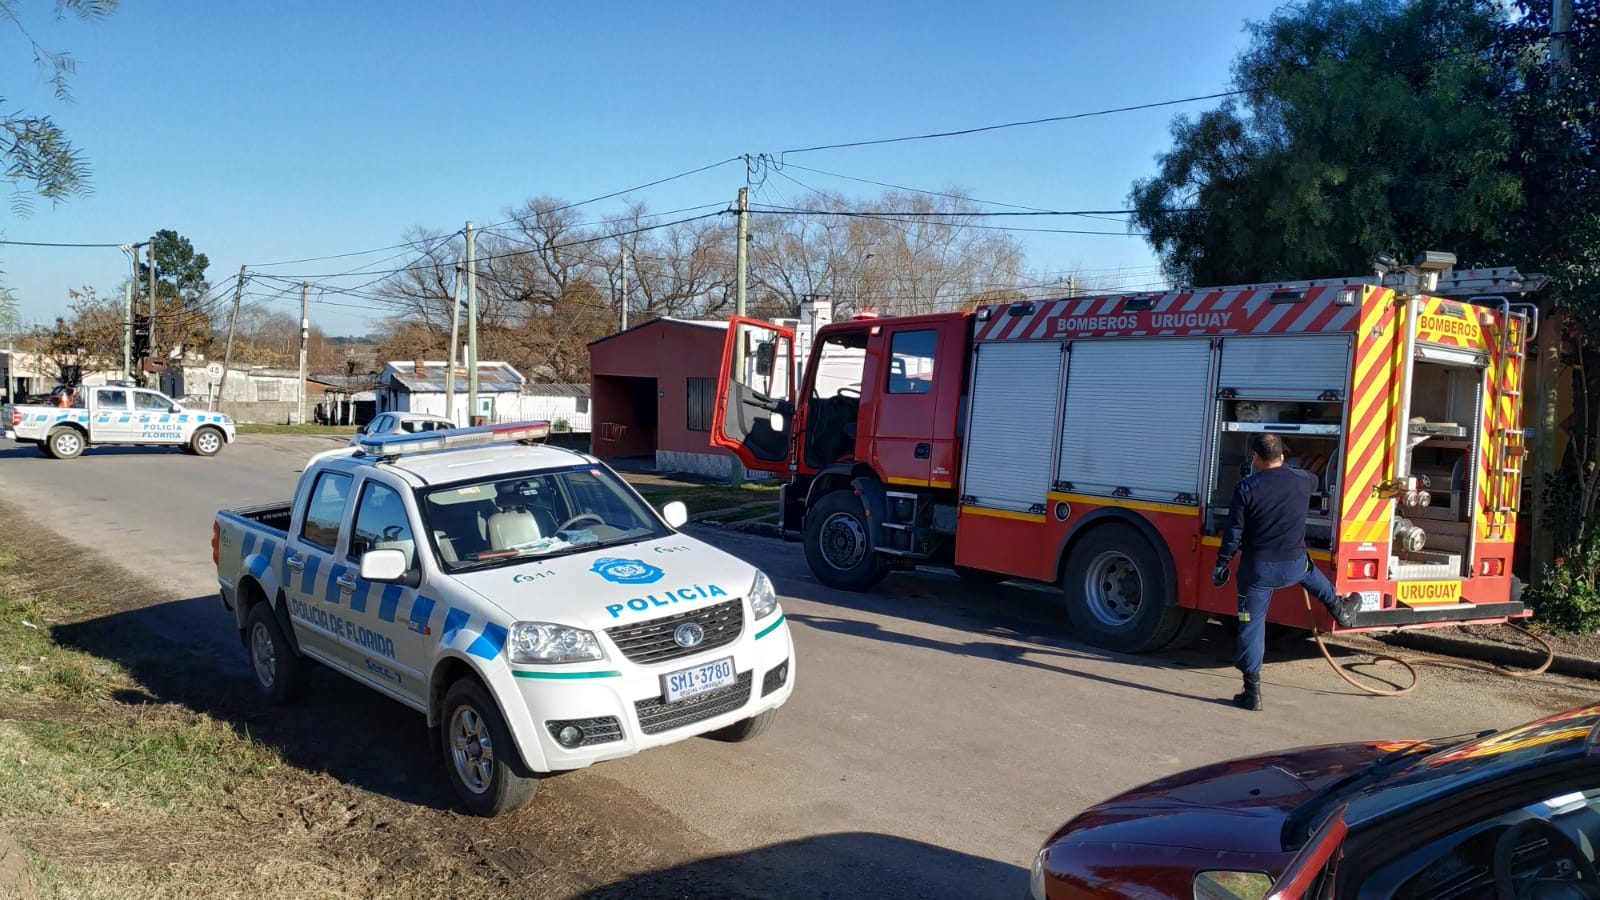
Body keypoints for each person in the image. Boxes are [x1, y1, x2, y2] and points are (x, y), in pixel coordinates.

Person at [1214, 433, 1363, 711]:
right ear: (1282, 455)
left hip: (1259, 572)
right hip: (1294, 565)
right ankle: (1339, 608)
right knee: (1310, 571)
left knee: (1251, 623)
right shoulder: (1302, 480)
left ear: (1256, 458)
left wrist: (1222, 564)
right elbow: (1316, 478)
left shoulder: (1246, 488)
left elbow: (1233, 535)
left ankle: (1252, 691)